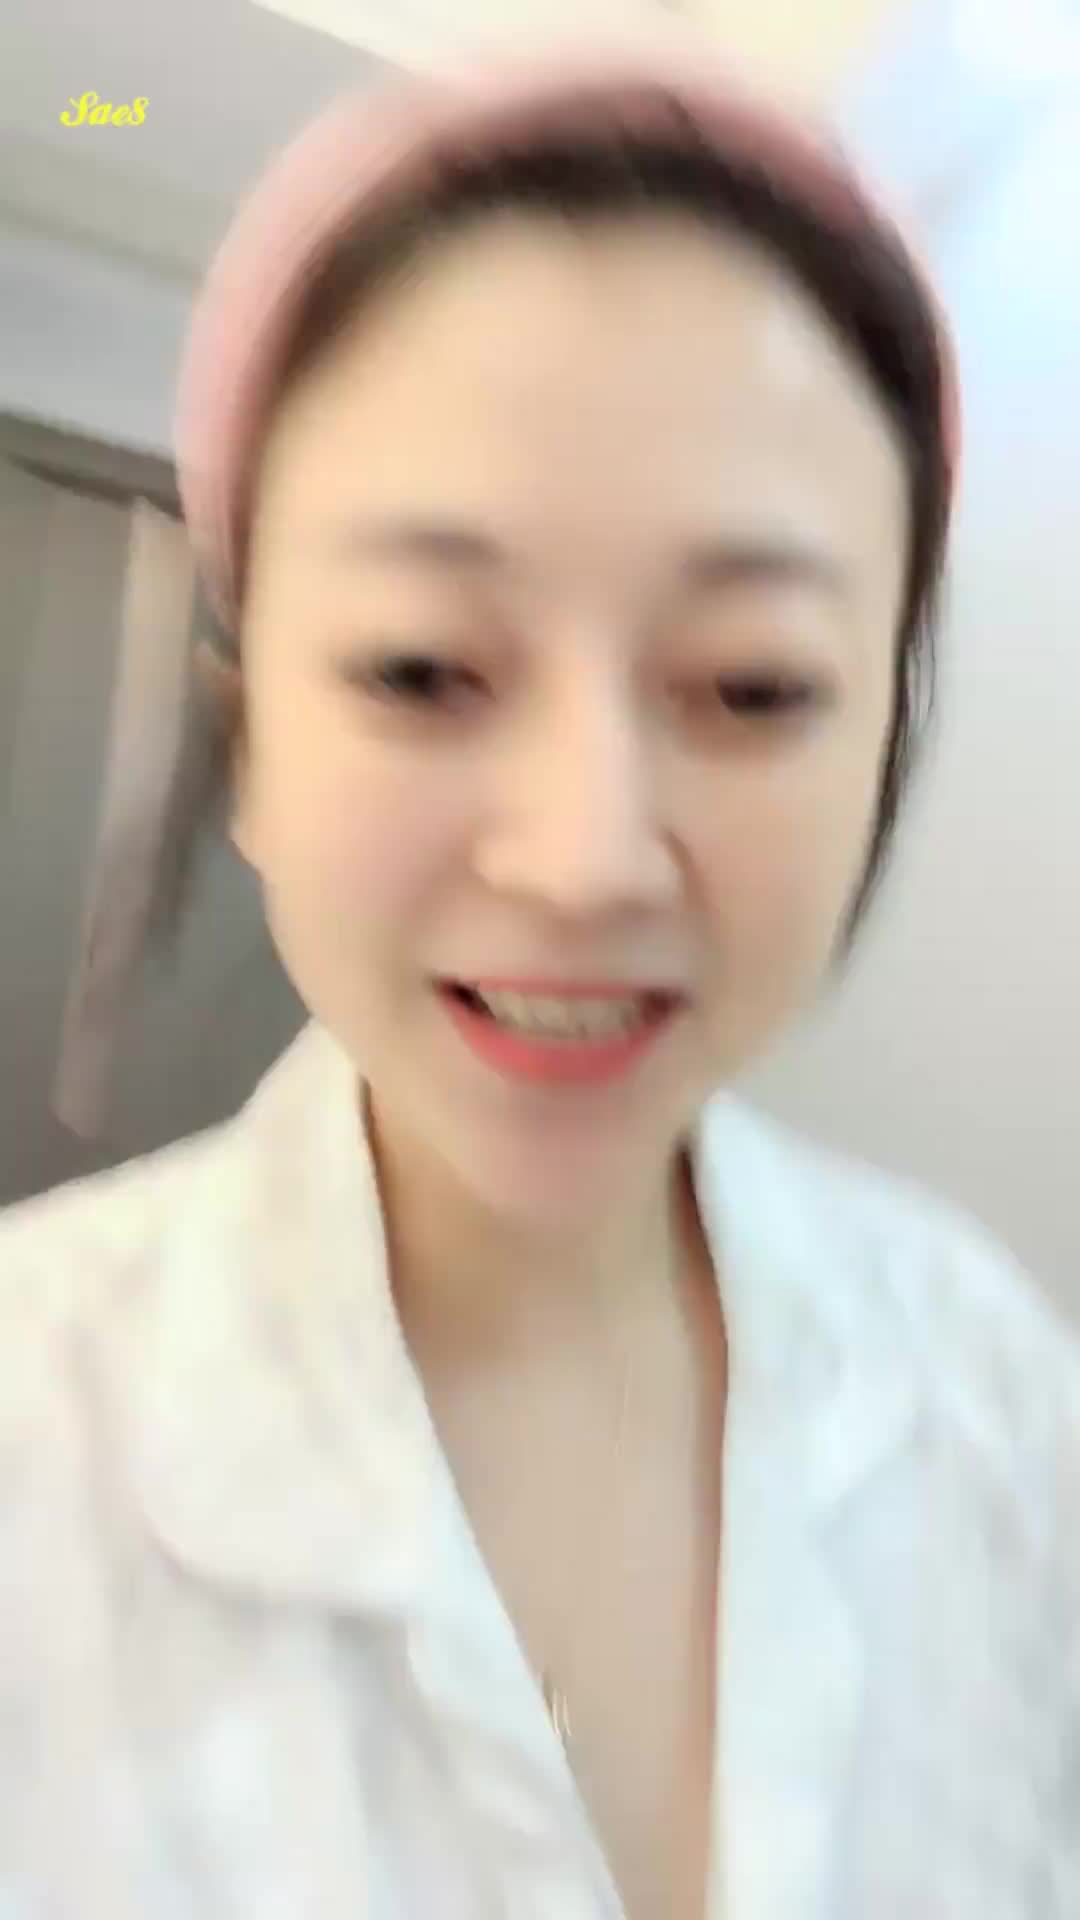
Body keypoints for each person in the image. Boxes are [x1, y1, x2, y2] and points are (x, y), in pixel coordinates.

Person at [0, 32, 1076, 1920]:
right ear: (249, 748)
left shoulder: (993, 1394)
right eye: (424, 669)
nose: (583, 858)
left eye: (751, 686)